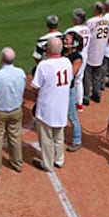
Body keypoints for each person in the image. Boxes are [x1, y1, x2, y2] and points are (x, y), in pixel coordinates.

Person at [31, 37, 72, 171]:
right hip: (62, 105)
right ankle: (59, 159)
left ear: (48, 50)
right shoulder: (67, 62)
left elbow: (35, 86)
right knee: (58, 135)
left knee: (46, 138)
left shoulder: (44, 65)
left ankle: (47, 164)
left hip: (47, 107)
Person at [0, 47, 27, 176]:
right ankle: (17, 163)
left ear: (1, 59)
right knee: (15, 137)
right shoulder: (21, 72)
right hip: (16, 110)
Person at [64, 8, 90, 109]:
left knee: (69, 80)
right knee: (79, 80)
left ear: (75, 19)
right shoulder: (87, 29)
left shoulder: (71, 31)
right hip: (84, 56)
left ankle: (68, 102)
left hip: (73, 57)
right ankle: (79, 103)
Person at [84, 2, 109, 104]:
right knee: (97, 76)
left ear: (96, 10)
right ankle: (96, 94)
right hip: (101, 50)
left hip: (91, 51)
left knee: (87, 76)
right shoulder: (107, 21)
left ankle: (86, 98)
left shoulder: (91, 21)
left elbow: (86, 36)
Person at [63, 32, 84, 152]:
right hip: (60, 89)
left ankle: (77, 140)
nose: (65, 41)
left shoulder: (77, 58)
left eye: (68, 39)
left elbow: (71, 74)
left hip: (68, 90)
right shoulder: (63, 53)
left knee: (72, 116)